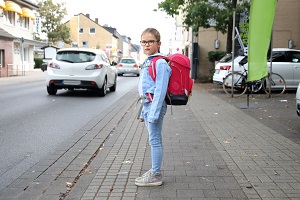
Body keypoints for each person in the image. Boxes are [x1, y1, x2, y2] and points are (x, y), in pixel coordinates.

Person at [135, 28, 171, 187]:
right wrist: (144, 112)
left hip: (155, 106)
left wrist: (153, 114)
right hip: (148, 106)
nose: (146, 45)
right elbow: (144, 90)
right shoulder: (148, 61)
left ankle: (156, 174)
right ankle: (154, 171)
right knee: (153, 139)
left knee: (155, 140)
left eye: (150, 41)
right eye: (144, 42)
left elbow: (160, 90)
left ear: (158, 43)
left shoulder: (160, 62)